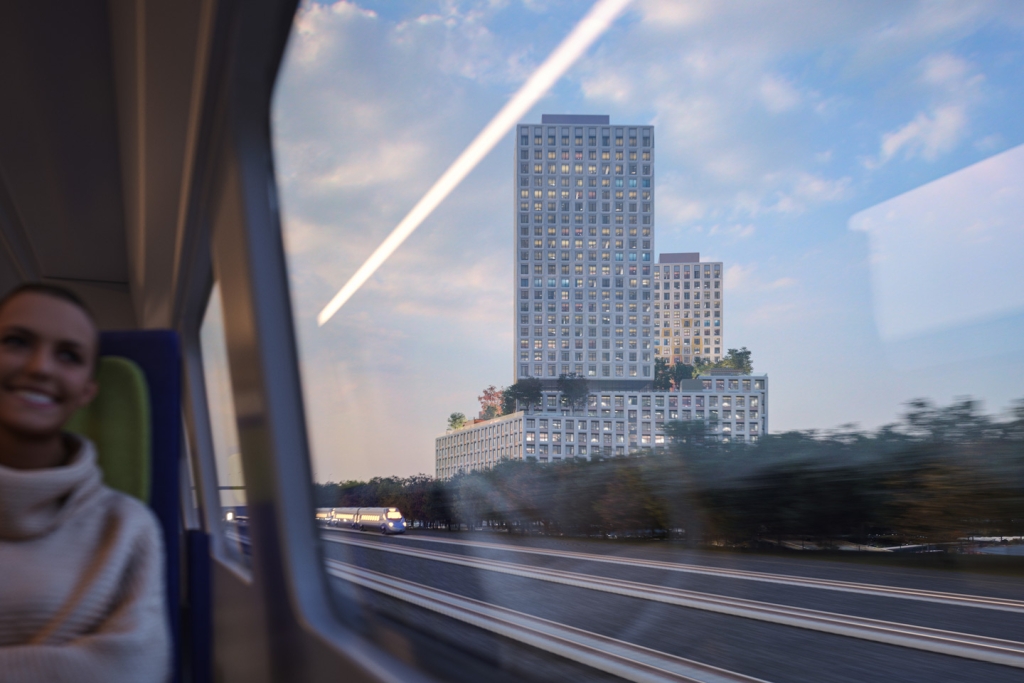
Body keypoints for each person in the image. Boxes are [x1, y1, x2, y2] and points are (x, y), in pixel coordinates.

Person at [0, 283, 169, 682]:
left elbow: (134, 671)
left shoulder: (128, 527)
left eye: (68, 356)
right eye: (16, 342)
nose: (40, 367)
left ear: (87, 391)